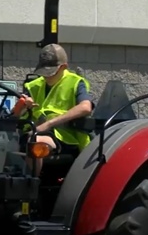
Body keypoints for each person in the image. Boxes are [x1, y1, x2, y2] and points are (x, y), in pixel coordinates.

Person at [14, 43, 94, 176]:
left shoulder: (75, 83)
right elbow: (15, 115)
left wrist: (49, 124)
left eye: (50, 72)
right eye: (43, 72)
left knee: (34, 143)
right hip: (32, 132)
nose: (46, 76)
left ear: (63, 67)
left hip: (65, 137)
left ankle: (32, 186)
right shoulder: (33, 85)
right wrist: (23, 107)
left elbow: (86, 107)